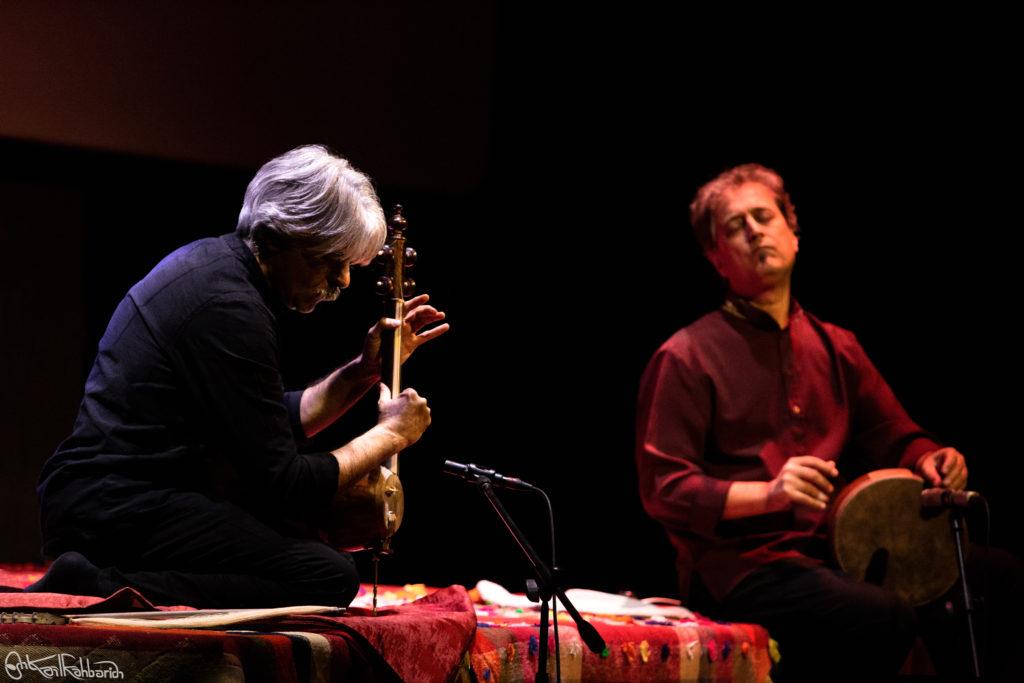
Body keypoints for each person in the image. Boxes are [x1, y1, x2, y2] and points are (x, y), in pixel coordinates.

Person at [30, 145, 448, 608]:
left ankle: (105, 574)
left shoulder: (221, 274)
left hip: (123, 498)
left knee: (302, 546)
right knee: (324, 574)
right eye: (328, 261)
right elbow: (286, 483)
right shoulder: (228, 307)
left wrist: (361, 373)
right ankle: (97, 583)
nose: (343, 281)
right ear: (277, 235)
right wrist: (392, 434)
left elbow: (268, 424)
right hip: (116, 507)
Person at [635, 163, 979, 679]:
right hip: (741, 569)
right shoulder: (686, 355)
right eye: (734, 226)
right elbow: (665, 488)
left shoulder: (836, 345)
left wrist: (932, 459)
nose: (753, 230)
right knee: (880, 614)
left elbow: (896, 437)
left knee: (998, 579)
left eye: (763, 216)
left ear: (793, 231)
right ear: (716, 258)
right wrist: (770, 494)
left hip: (833, 555)